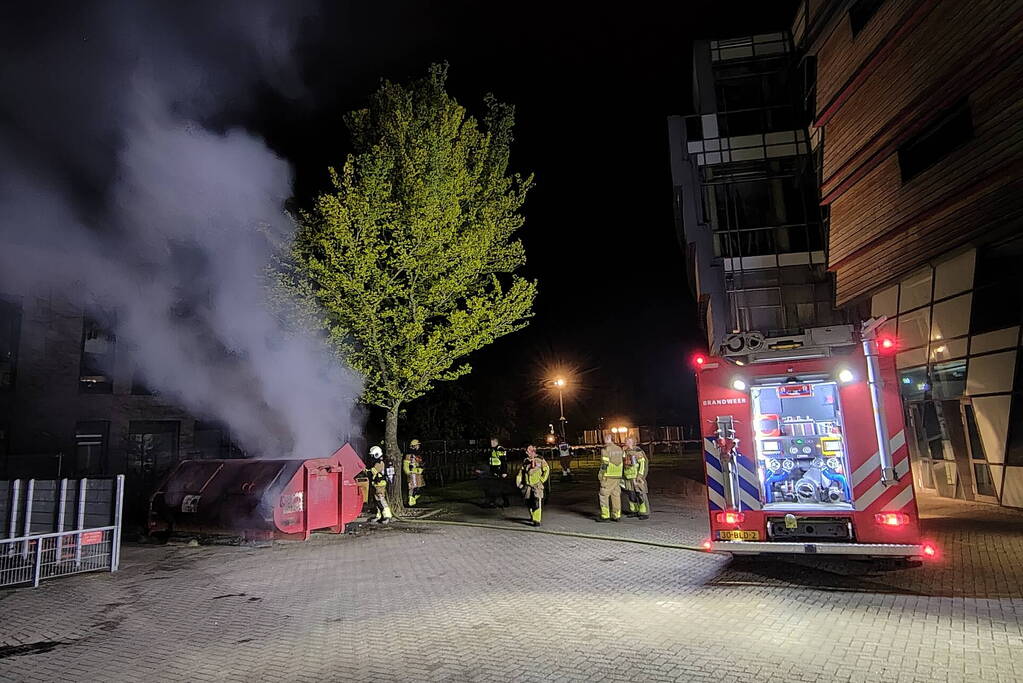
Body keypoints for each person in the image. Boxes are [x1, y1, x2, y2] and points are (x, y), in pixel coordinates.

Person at [518, 444, 550, 527]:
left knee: (537, 502)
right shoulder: (526, 461)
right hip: (528, 486)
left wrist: (542, 480)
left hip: (537, 485)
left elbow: (546, 470)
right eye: (527, 450)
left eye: (529, 450)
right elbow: (521, 472)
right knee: (529, 502)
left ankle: (537, 520)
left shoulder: (540, 459)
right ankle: (533, 516)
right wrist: (519, 483)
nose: (527, 452)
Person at [361, 445, 392, 524]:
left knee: (381, 500)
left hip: (380, 485)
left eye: (372, 455)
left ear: (376, 455)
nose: (371, 457)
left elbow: (371, 473)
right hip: (376, 484)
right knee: (376, 501)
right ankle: (379, 515)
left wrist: (363, 469)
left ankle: (387, 516)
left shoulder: (379, 464)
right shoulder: (376, 463)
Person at [596, 433, 624, 522]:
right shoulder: (619, 449)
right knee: (616, 495)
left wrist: (601, 474)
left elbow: (605, 463)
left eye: (605, 438)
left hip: (608, 475)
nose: (604, 439)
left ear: (608, 439)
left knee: (603, 495)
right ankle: (617, 515)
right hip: (618, 475)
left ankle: (605, 516)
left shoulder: (606, 449)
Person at [623, 437, 650, 520]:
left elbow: (643, 464)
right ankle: (634, 511)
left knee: (640, 494)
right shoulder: (625, 452)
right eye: (626, 441)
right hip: (628, 477)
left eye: (629, 441)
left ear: (633, 442)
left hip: (636, 478)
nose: (627, 442)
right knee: (631, 495)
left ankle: (644, 512)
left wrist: (640, 475)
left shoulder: (638, 451)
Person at [483, 438, 510, 508]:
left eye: (492, 442)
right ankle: (499, 502)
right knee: (495, 486)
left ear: (496, 442)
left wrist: (504, 472)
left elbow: (503, 461)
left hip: (499, 470)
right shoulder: (493, 449)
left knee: (497, 487)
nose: (491, 444)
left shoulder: (500, 449)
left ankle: (496, 502)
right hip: (493, 470)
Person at [403, 439, 425, 507]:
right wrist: (408, 472)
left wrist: (421, 467)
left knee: (418, 488)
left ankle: (413, 500)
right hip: (412, 473)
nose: (418, 446)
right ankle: (411, 501)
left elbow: (419, 463)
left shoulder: (417, 454)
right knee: (412, 488)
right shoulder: (409, 455)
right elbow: (406, 465)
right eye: (417, 445)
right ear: (414, 446)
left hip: (418, 473)